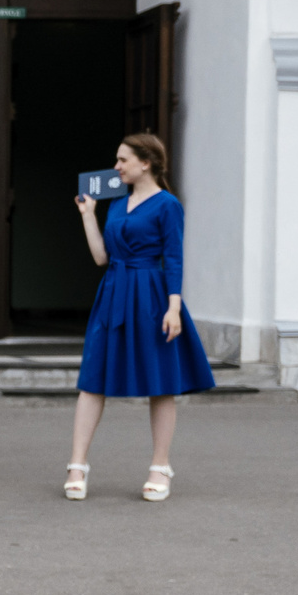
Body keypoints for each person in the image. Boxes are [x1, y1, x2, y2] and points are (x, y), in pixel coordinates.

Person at [65, 132, 214, 502]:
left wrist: (174, 306)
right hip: (113, 292)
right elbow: (101, 257)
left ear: (145, 163)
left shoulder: (168, 205)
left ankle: (160, 467)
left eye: (122, 160)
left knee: (160, 382)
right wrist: (88, 216)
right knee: (92, 378)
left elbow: (174, 258)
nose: (115, 167)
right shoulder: (115, 202)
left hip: (151, 294)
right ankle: (76, 465)